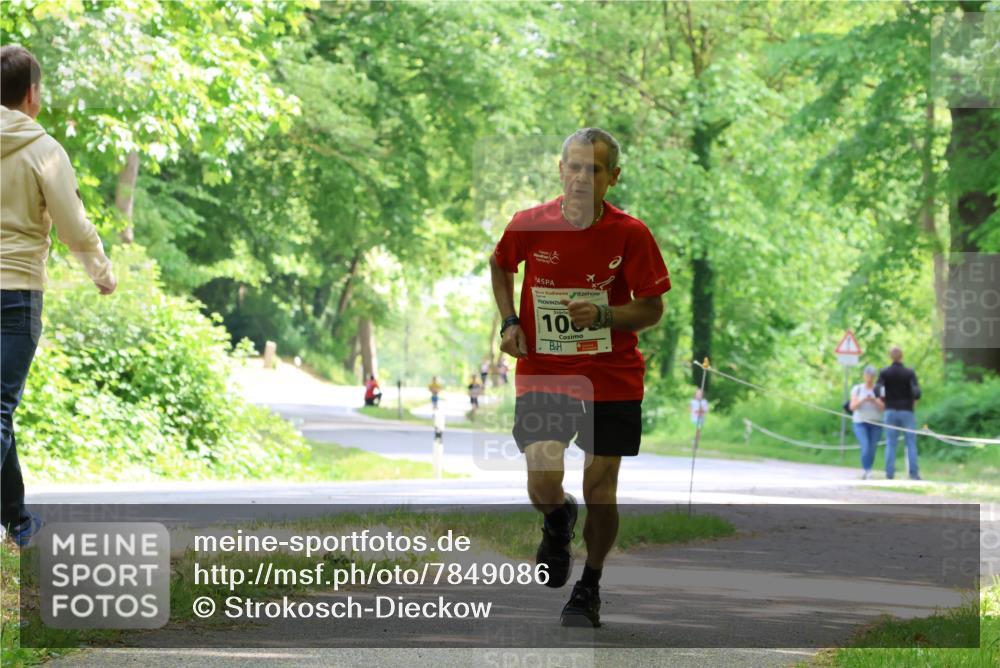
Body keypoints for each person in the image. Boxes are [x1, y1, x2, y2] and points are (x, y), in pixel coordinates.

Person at [489, 127, 670, 627]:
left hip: (612, 375)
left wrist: (606, 316)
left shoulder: (631, 234)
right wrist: (509, 322)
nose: (581, 177)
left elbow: (652, 308)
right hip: (546, 371)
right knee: (543, 480)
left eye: (593, 168)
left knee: (601, 485)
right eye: (573, 166)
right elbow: (500, 264)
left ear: (612, 176)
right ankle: (557, 518)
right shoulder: (529, 224)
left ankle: (589, 584)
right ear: (559, 170)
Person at [1, 46, 117, 546]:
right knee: (0, 408)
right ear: (32, 95)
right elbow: (72, 227)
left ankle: (19, 521)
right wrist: (101, 271)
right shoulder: (45, 150)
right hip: (17, 292)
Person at [878, 347, 922, 480]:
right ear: (902, 356)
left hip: (890, 409)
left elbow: (878, 389)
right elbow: (917, 391)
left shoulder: (885, 372)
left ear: (890, 357)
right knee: (911, 442)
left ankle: (889, 472)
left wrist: (883, 400)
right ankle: (913, 473)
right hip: (907, 410)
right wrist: (914, 400)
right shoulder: (909, 373)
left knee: (891, 442)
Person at [849, 365, 885, 480]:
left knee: (872, 448)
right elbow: (852, 406)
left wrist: (874, 400)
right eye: (868, 375)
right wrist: (863, 400)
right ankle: (867, 470)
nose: (870, 377)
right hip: (860, 422)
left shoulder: (880, 389)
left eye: (872, 375)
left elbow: (884, 407)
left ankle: (868, 468)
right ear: (864, 375)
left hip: (876, 423)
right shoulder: (857, 389)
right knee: (865, 446)